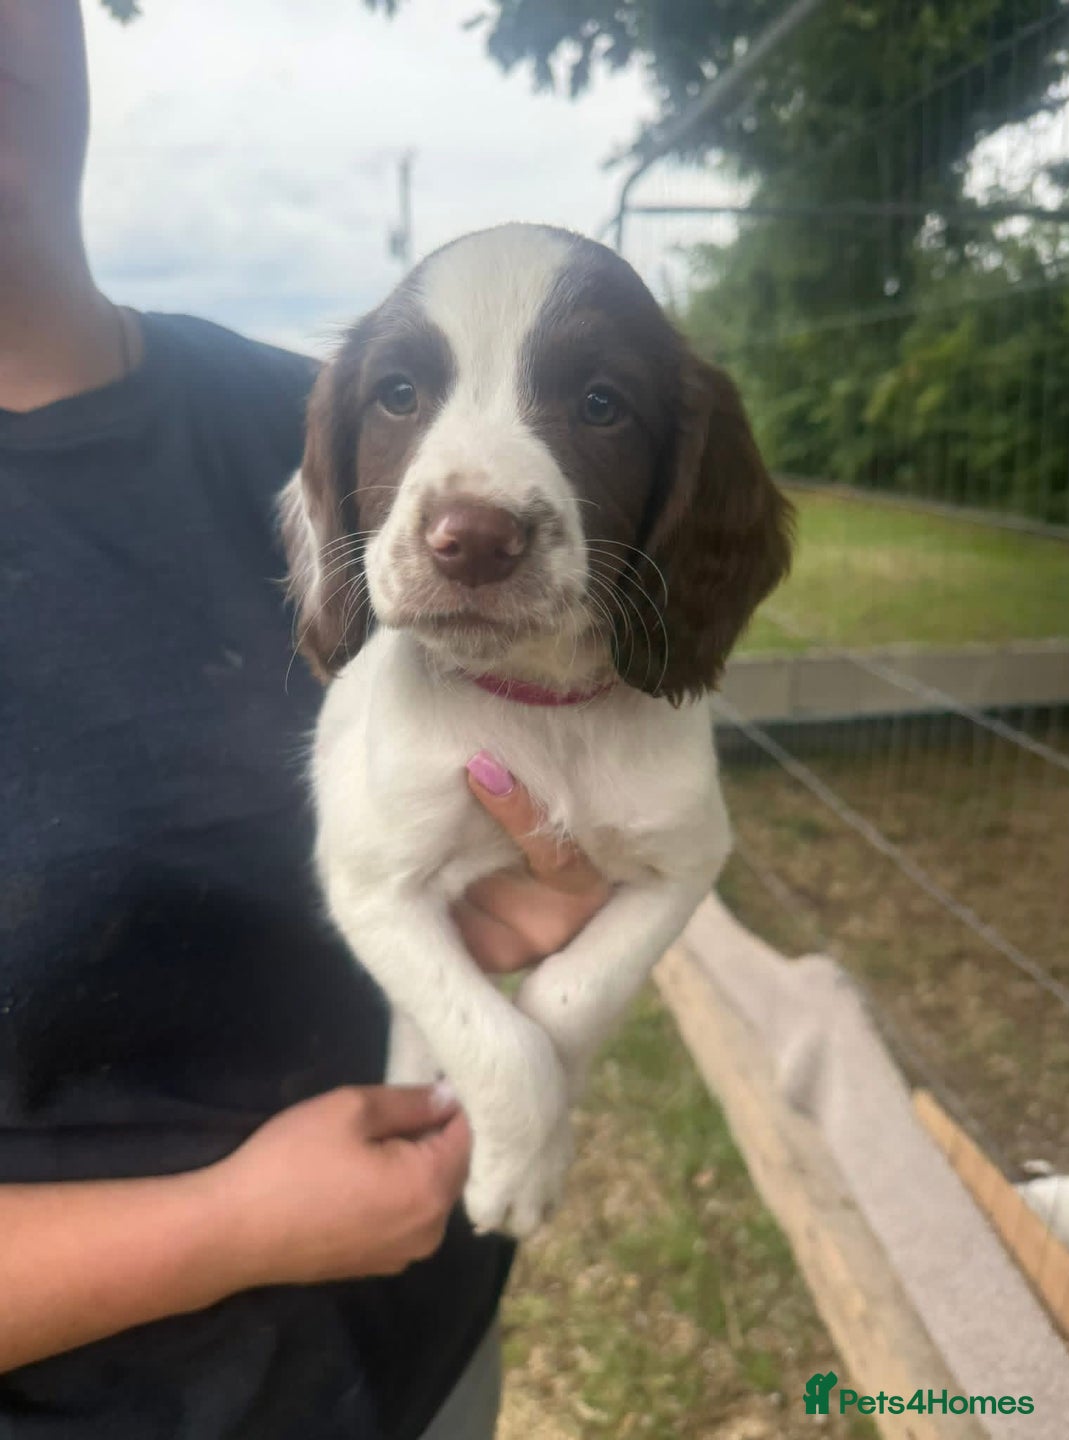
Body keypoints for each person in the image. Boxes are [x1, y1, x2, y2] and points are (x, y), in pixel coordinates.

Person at [0, 3, 611, 1436]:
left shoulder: (350, 430)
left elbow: (590, 725)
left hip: (426, 1360)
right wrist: (230, 1225)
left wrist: (534, 873)